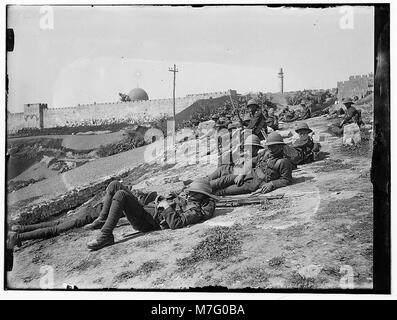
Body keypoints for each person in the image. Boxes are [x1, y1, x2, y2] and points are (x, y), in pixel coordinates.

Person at [86, 179, 217, 250]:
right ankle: (102, 219)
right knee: (115, 184)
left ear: (201, 196)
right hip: (145, 211)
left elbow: (176, 223)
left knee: (121, 195)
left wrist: (166, 207)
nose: (188, 193)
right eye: (189, 191)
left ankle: (106, 236)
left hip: (146, 221)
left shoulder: (195, 210)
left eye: (192, 192)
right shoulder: (187, 197)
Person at [6, 190, 158, 247]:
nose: (139, 196)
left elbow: (122, 218)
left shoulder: (128, 206)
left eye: (141, 197)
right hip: (87, 215)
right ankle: (19, 235)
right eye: (140, 195)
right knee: (56, 228)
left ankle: (20, 231)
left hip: (88, 212)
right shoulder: (129, 207)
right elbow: (122, 218)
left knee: (56, 224)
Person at [209, 132, 293, 196]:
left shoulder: (283, 162)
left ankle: (203, 193)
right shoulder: (265, 153)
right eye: (269, 146)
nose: (270, 149)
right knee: (223, 180)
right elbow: (251, 162)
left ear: (280, 146)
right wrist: (242, 174)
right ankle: (201, 185)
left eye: (273, 146)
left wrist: (271, 184)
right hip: (250, 173)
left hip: (255, 183)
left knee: (224, 191)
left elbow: (287, 180)